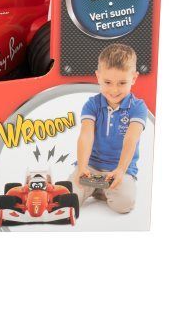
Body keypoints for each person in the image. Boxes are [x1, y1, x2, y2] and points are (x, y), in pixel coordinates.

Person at [72, 43, 147, 214]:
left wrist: (120, 170)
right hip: (91, 167)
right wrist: (82, 167)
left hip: (120, 169)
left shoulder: (138, 107)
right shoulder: (92, 105)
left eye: (122, 83)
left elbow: (131, 139)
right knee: (68, 197)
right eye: (107, 82)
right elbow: (86, 136)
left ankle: (101, 190)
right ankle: (98, 188)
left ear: (134, 78)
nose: (114, 90)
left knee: (124, 204)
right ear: (98, 77)